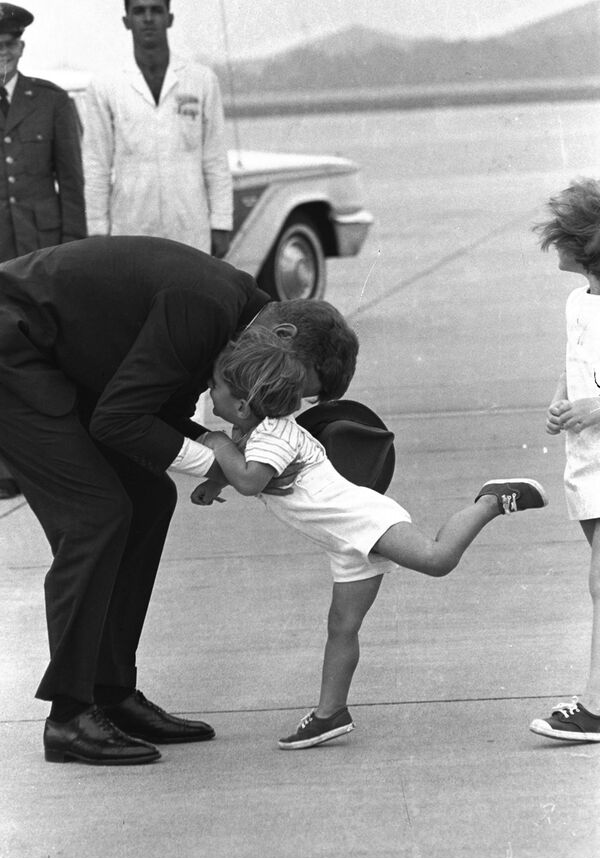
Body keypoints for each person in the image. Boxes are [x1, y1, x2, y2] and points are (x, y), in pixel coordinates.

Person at [0, 234, 358, 765]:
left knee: (149, 498)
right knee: (96, 517)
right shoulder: (204, 309)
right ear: (282, 334)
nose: (279, 403)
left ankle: (111, 692)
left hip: (58, 361)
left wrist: (229, 455)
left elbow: (151, 411)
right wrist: (221, 464)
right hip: (13, 350)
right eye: (293, 385)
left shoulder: (231, 327)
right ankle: (69, 716)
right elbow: (119, 419)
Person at [191, 326, 548, 750]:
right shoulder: (254, 434)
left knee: (437, 560)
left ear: (241, 405)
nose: (209, 392)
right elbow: (249, 470)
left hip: (364, 520)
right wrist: (216, 482)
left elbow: (251, 480)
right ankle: (330, 714)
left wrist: (214, 442)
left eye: (214, 386)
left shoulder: (274, 435)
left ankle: (491, 500)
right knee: (342, 626)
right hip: (343, 542)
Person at [0, 3, 86, 499]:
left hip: (42, 255)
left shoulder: (51, 102)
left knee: (48, 356)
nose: (2, 53)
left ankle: (59, 460)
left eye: (9, 44)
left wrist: (73, 257)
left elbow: (71, 185)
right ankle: (6, 468)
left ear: (21, 47)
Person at [529, 178, 600, 743]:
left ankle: (596, 706)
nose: (554, 246)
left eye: (561, 238)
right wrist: (562, 399)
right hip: (587, 464)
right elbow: (575, 362)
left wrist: (595, 406)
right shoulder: (578, 302)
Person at [83, 0, 233, 259]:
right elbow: (97, 164)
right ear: (126, 21)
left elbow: (216, 159)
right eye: (139, 11)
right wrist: (97, 229)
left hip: (190, 226)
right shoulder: (106, 85)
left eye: (156, 10)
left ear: (169, 18)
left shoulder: (201, 80)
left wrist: (221, 222)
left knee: (191, 285)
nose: (148, 18)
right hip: (131, 226)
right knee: (135, 285)